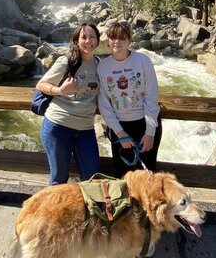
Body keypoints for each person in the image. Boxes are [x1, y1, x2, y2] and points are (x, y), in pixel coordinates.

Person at [36, 23, 101, 185]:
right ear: (77, 41)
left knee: (92, 178)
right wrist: (61, 90)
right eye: (84, 37)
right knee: (59, 178)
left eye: (92, 37)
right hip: (58, 126)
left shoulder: (99, 63)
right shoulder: (67, 61)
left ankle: (87, 210)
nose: (88, 41)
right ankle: (54, 210)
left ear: (98, 40)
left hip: (86, 129)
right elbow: (41, 84)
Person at [98, 20, 162, 179]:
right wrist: (119, 133)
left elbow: (151, 97)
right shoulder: (102, 67)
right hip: (120, 127)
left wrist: (150, 132)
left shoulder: (143, 61)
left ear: (129, 41)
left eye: (122, 38)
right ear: (108, 41)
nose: (117, 42)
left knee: (147, 176)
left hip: (144, 125)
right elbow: (104, 103)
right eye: (113, 38)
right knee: (123, 177)